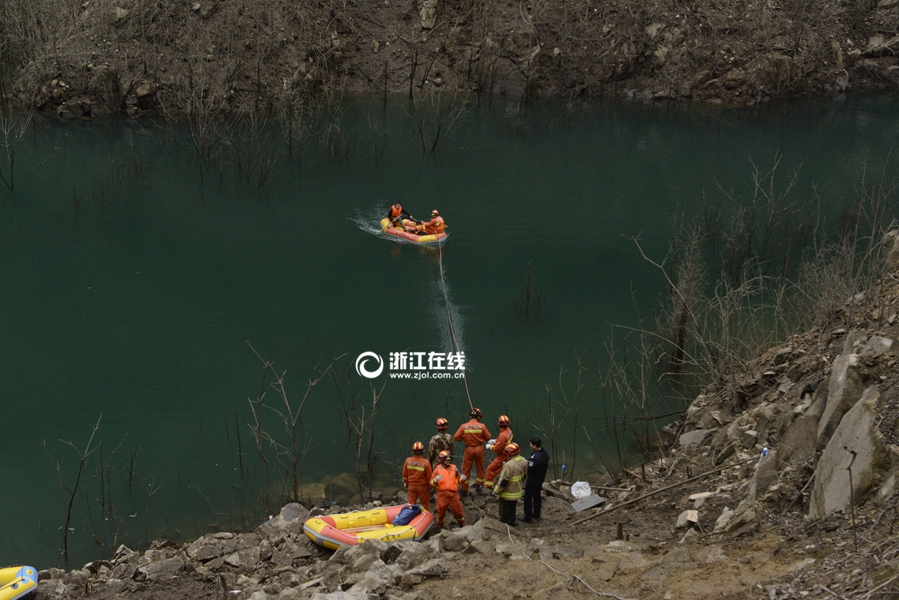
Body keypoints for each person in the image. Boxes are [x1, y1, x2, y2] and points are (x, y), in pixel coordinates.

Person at [453, 407, 491, 494]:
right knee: (480, 468)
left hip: (469, 449)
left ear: (470, 416)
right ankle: (480, 486)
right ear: (479, 417)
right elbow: (488, 437)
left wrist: (464, 437)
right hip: (479, 449)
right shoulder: (482, 426)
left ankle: (464, 489)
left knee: (466, 469)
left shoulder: (464, 426)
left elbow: (456, 437)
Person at [430, 450, 465, 531]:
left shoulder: (454, 468)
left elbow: (459, 480)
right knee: (441, 511)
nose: (448, 461)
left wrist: (463, 479)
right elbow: (431, 484)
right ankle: (439, 525)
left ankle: (462, 524)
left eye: (449, 460)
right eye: (446, 460)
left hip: (454, 494)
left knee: (458, 510)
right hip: (442, 494)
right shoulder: (437, 469)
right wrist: (435, 480)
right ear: (442, 460)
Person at [494, 442, 527, 526]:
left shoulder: (508, 465)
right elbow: (524, 475)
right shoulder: (523, 460)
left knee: (504, 510)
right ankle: (512, 521)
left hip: (507, 493)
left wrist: (496, 490)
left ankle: (504, 523)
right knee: (513, 507)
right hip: (517, 491)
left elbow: (503, 481)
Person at [520, 437, 549, 523]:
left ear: (535, 446)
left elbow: (530, 469)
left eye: (531, 444)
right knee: (537, 496)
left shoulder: (535, 457)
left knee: (528, 498)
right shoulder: (545, 453)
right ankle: (536, 514)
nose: (530, 446)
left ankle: (528, 517)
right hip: (540, 479)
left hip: (532, 480)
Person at [484, 414, 514, 491]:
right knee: (497, 469)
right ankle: (493, 481)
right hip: (507, 454)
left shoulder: (503, 435)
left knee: (490, 469)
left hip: (502, 455)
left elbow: (497, 448)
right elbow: (502, 441)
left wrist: (490, 446)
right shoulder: (508, 431)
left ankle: (488, 486)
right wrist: (494, 441)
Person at [402, 441, 432, 512]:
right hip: (423, 487)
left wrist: (405, 483)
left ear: (413, 451)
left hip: (411, 486)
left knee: (411, 503)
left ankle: (409, 516)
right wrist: (431, 486)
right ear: (423, 451)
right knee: (424, 504)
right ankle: (425, 518)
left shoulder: (408, 461)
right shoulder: (426, 462)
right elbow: (429, 477)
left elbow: (404, 474)